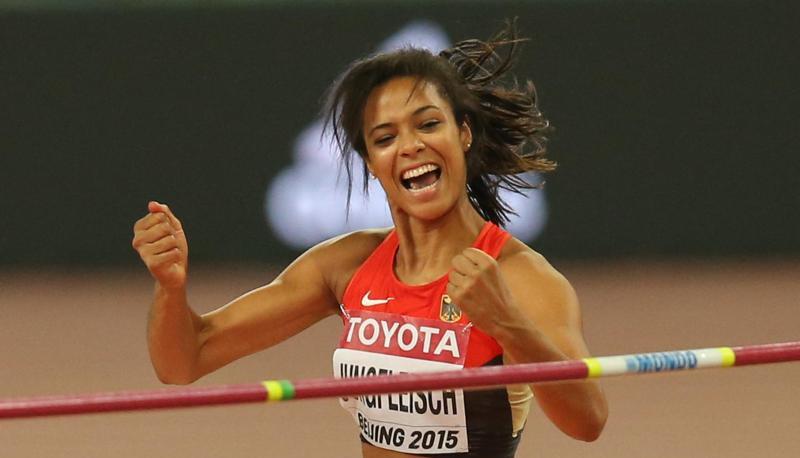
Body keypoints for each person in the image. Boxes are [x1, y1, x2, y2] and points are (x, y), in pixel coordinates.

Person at [132, 23, 607, 458]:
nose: (410, 146)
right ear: (372, 162)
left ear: (463, 133)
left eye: (427, 124)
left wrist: (507, 323)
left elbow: (588, 420)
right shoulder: (345, 266)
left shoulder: (520, 277)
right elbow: (186, 359)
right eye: (385, 137)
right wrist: (170, 288)